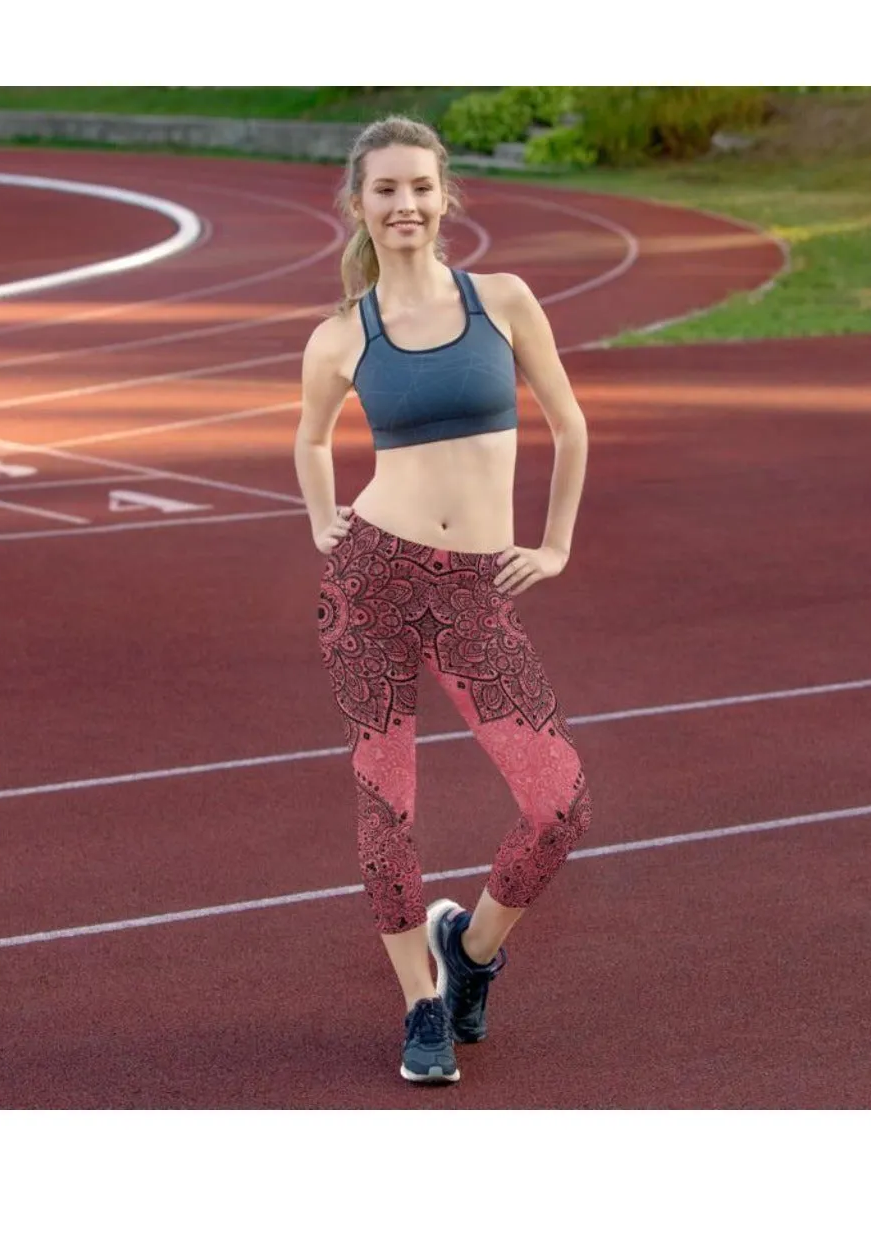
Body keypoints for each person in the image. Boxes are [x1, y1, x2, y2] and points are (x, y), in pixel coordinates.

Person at [293, 115, 593, 1085]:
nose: (405, 204)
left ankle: (467, 954)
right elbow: (306, 438)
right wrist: (321, 521)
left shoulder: (502, 300)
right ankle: (421, 1003)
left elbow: (569, 420)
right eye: (385, 189)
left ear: (444, 193)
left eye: (419, 186)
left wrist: (553, 544)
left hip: (472, 594)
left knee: (559, 804)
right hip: (371, 585)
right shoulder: (342, 334)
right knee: (388, 813)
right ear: (359, 204)